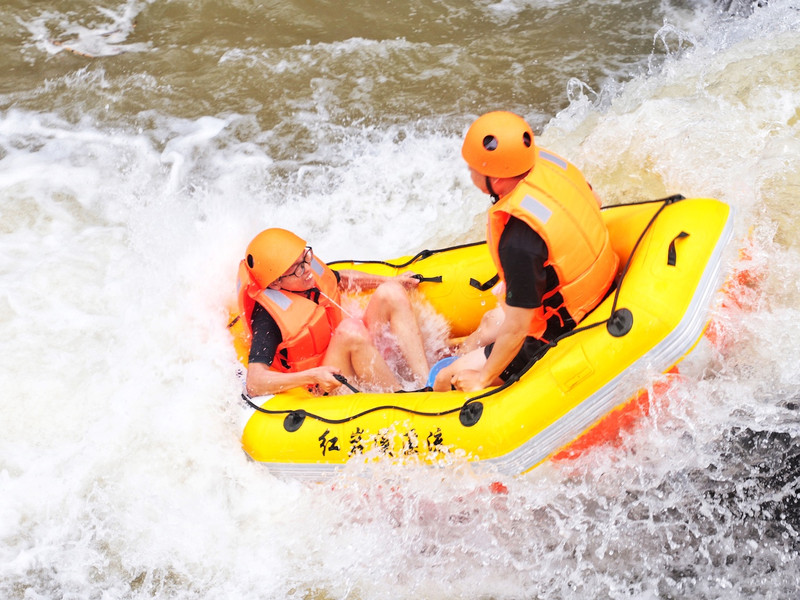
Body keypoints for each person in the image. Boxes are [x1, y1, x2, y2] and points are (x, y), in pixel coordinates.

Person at [433, 111, 619, 392]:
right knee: (490, 321)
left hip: (560, 330)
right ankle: (453, 354)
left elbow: (518, 328)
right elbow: (595, 201)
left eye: (473, 169)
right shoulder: (549, 167)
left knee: (445, 378)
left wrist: (481, 378)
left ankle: (441, 384)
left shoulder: (518, 239)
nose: (470, 172)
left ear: (494, 180)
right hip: (601, 285)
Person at [236, 228, 430, 396]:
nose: (308, 269)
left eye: (305, 257)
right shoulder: (267, 319)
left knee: (391, 292)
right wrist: (312, 375)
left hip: (346, 350)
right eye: (297, 268)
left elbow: (340, 278)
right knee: (350, 330)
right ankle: (401, 399)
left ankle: (427, 384)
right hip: (323, 384)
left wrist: (391, 280)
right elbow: (255, 382)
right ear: (276, 282)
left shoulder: (305, 275)